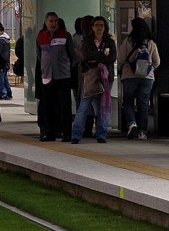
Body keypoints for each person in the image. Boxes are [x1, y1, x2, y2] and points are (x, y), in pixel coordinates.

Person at [71, 15, 116, 144]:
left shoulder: (110, 41)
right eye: (96, 25)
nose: (99, 28)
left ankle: (101, 134)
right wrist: (102, 55)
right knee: (84, 105)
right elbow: (86, 55)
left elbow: (112, 57)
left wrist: (96, 58)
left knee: (103, 106)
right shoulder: (87, 41)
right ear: (92, 27)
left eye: (101, 25)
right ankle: (76, 134)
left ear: (105, 27)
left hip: (106, 77)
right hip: (90, 77)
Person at [117, 16, 160, 140]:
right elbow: (157, 61)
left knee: (128, 102)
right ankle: (142, 132)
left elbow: (120, 59)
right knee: (143, 104)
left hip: (129, 76)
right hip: (147, 78)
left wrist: (122, 69)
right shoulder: (151, 43)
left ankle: (132, 124)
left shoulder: (128, 41)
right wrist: (149, 69)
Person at [36, 11, 75, 142]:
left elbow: (72, 55)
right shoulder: (40, 36)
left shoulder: (65, 35)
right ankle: (50, 132)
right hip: (47, 75)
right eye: (50, 21)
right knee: (48, 105)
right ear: (46, 22)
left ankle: (67, 132)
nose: (53, 23)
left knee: (64, 105)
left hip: (63, 75)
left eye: (55, 21)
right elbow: (39, 55)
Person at [0, 21, 12, 100]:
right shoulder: (6, 39)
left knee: (0, 78)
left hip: (0, 62)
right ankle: (8, 92)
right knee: (4, 78)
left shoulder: (0, 40)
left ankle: (2, 93)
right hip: (5, 61)